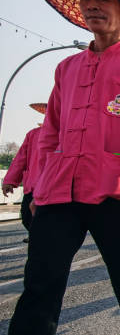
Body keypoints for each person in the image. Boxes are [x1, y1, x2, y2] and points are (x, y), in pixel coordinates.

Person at [3, 0, 120, 335]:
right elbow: (50, 133)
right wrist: (38, 185)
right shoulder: (66, 67)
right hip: (59, 190)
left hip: (116, 190)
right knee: (41, 279)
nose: (93, 6)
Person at [2, 103, 46, 243]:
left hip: (52, 187)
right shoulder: (33, 134)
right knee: (27, 215)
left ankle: (39, 237)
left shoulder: (66, 133)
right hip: (32, 186)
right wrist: (10, 180)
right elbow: (20, 158)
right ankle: (36, 234)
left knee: (48, 218)